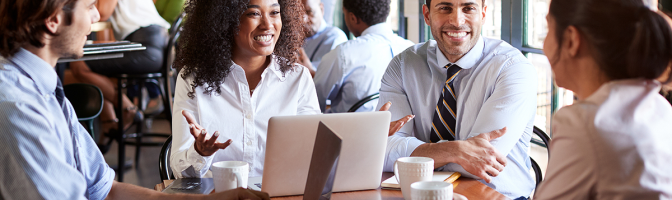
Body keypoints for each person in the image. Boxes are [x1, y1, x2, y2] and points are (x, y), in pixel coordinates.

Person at [0, 0, 269, 199]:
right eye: (90, 5)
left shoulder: (45, 89)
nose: (96, 16)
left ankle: (125, 109)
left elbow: (106, 190)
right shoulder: (19, 106)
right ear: (53, 19)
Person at [378, 0, 537, 198]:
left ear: (483, 14)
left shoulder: (512, 68)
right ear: (427, 15)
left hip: (497, 195)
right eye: (445, 8)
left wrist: (415, 154)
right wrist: (456, 151)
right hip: (422, 194)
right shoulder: (403, 65)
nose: (457, 21)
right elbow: (382, 150)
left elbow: (481, 161)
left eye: (468, 8)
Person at [534, 0, 672, 199]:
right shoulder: (659, 107)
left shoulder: (586, 123)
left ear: (571, 40)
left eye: (548, 29)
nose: (544, 44)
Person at [170, 0, 321, 178]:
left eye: (274, 13)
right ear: (225, 20)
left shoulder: (298, 78)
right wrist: (200, 152)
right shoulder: (192, 79)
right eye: (254, 14)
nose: (267, 25)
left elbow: (315, 155)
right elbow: (181, 173)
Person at [67, 0, 171, 138]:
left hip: (144, 47)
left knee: (79, 65)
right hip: (160, 45)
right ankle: (109, 125)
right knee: (98, 72)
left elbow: (102, 13)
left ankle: (127, 109)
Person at [313, 0, 414, 113]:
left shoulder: (343, 54)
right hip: (403, 128)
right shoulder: (411, 49)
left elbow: (313, 102)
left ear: (353, 18)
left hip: (351, 130)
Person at [298, 0, 348, 73]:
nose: (303, 20)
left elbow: (328, 79)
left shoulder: (335, 38)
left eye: (309, 12)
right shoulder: (294, 38)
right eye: (299, 14)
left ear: (321, 9)